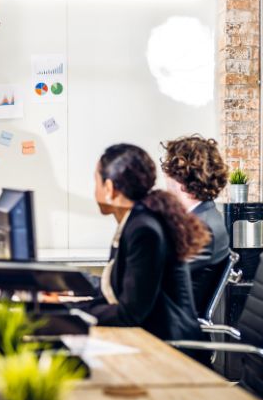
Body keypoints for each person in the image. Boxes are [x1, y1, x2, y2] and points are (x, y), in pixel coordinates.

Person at [84, 143, 210, 344]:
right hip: (152, 337)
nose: (94, 191)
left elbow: (129, 313)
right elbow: (117, 291)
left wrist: (71, 314)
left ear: (109, 189)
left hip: (170, 348)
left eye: (96, 182)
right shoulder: (135, 221)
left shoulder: (143, 230)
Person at [161, 135, 231, 318]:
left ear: (181, 177)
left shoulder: (202, 227)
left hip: (171, 331)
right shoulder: (203, 217)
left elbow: (162, 282)